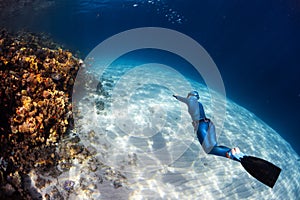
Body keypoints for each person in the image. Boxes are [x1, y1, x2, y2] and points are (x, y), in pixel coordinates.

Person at [173, 91, 245, 161]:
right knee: (214, 147)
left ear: (191, 96)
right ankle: (234, 152)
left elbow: (181, 98)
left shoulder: (190, 100)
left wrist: (175, 96)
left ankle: (230, 153)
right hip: (209, 123)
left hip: (200, 125)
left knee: (208, 150)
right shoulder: (199, 104)